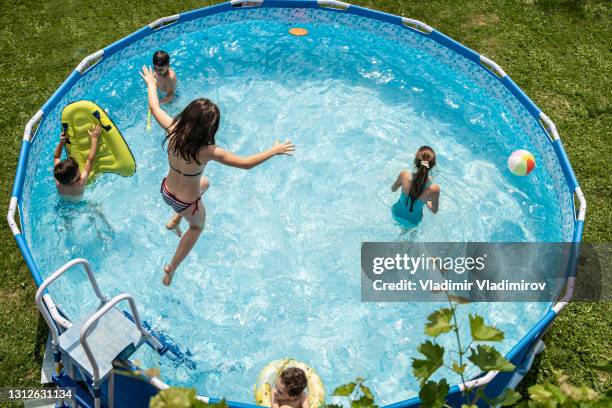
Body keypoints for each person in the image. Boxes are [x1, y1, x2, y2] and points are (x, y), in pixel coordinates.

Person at [140, 65, 295, 286]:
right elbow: (246, 164)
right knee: (197, 227)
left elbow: (155, 107)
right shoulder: (208, 151)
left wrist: (150, 84)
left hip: (166, 191)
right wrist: (274, 150)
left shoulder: (173, 129)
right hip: (187, 203)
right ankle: (172, 266)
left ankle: (175, 219)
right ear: (209, 129)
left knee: (205, 183)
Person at [391, 146, 440, 228]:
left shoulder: (404, 175)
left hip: (396, 213)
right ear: (433, 165)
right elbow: (434, 211)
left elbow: (393, 189)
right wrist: (427, 201)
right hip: (412, 222)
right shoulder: (434, 189)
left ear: (415, 161)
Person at [53, 124, 101, 198]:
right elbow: (90, 160)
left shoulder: (58, 183)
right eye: (77, 169)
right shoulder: (80, 183)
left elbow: (56, 157)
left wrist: (62, 142)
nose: (79, 169)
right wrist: (94, 139)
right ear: (74, 179)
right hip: (81, 204)